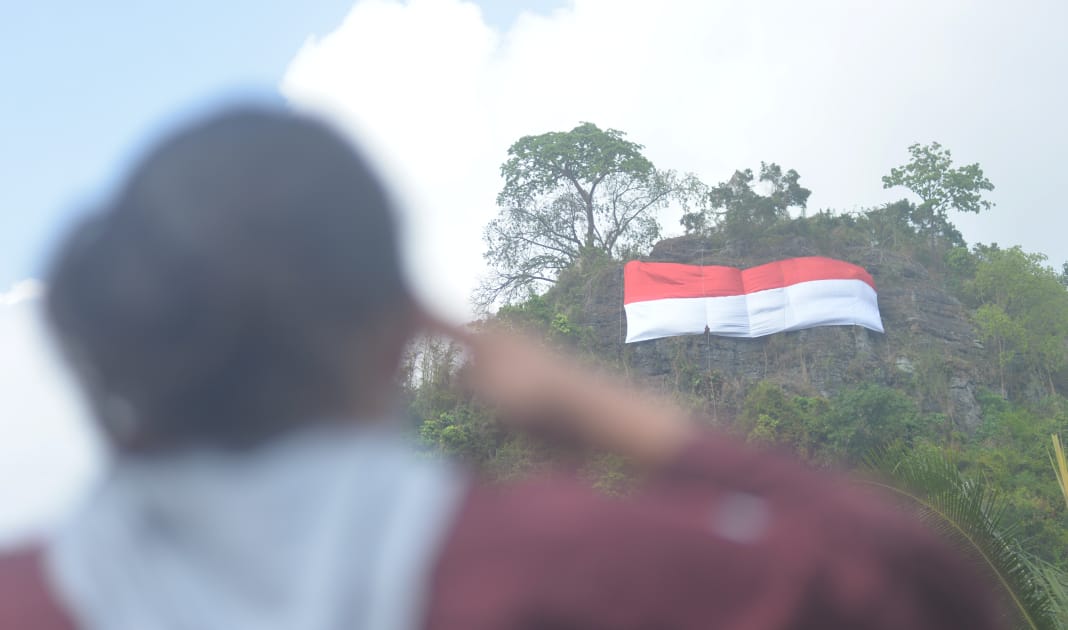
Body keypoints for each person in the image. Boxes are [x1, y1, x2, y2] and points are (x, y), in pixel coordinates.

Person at [0, 107, 1003, 629]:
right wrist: (628, 420)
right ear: (401, 329)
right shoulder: (559, 570)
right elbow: (925, 599)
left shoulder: (28, 598)